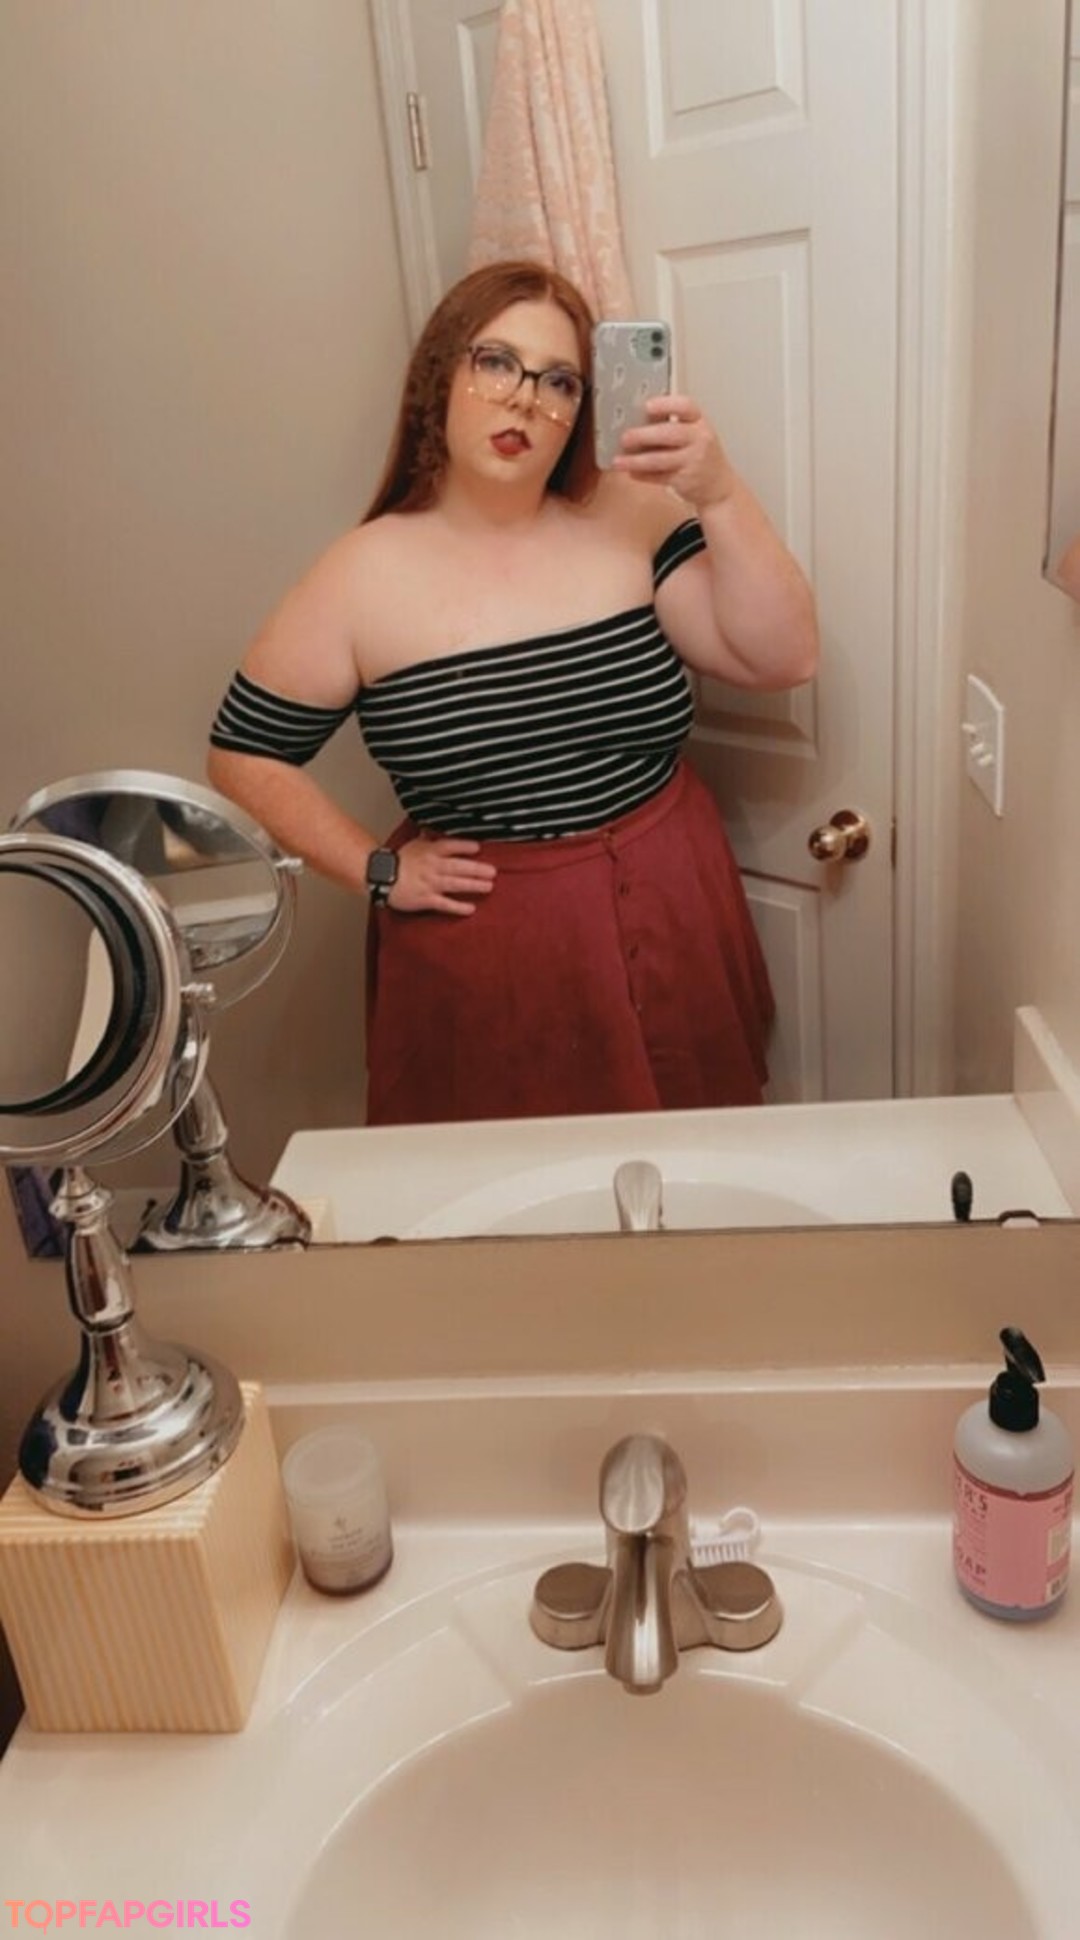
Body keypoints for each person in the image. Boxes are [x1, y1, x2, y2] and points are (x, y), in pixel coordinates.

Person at [207, 259, 818, 1124]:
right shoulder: (356, 578)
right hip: (491, 940)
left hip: (672, 889)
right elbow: (242, 753)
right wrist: (377, 870)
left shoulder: (633, 517)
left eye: (559, 380)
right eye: (497, 362)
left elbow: (782, 657)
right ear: (440, 376)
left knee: (696, 1148)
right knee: (513, 1180)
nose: (526, 401)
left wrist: (717, 492)